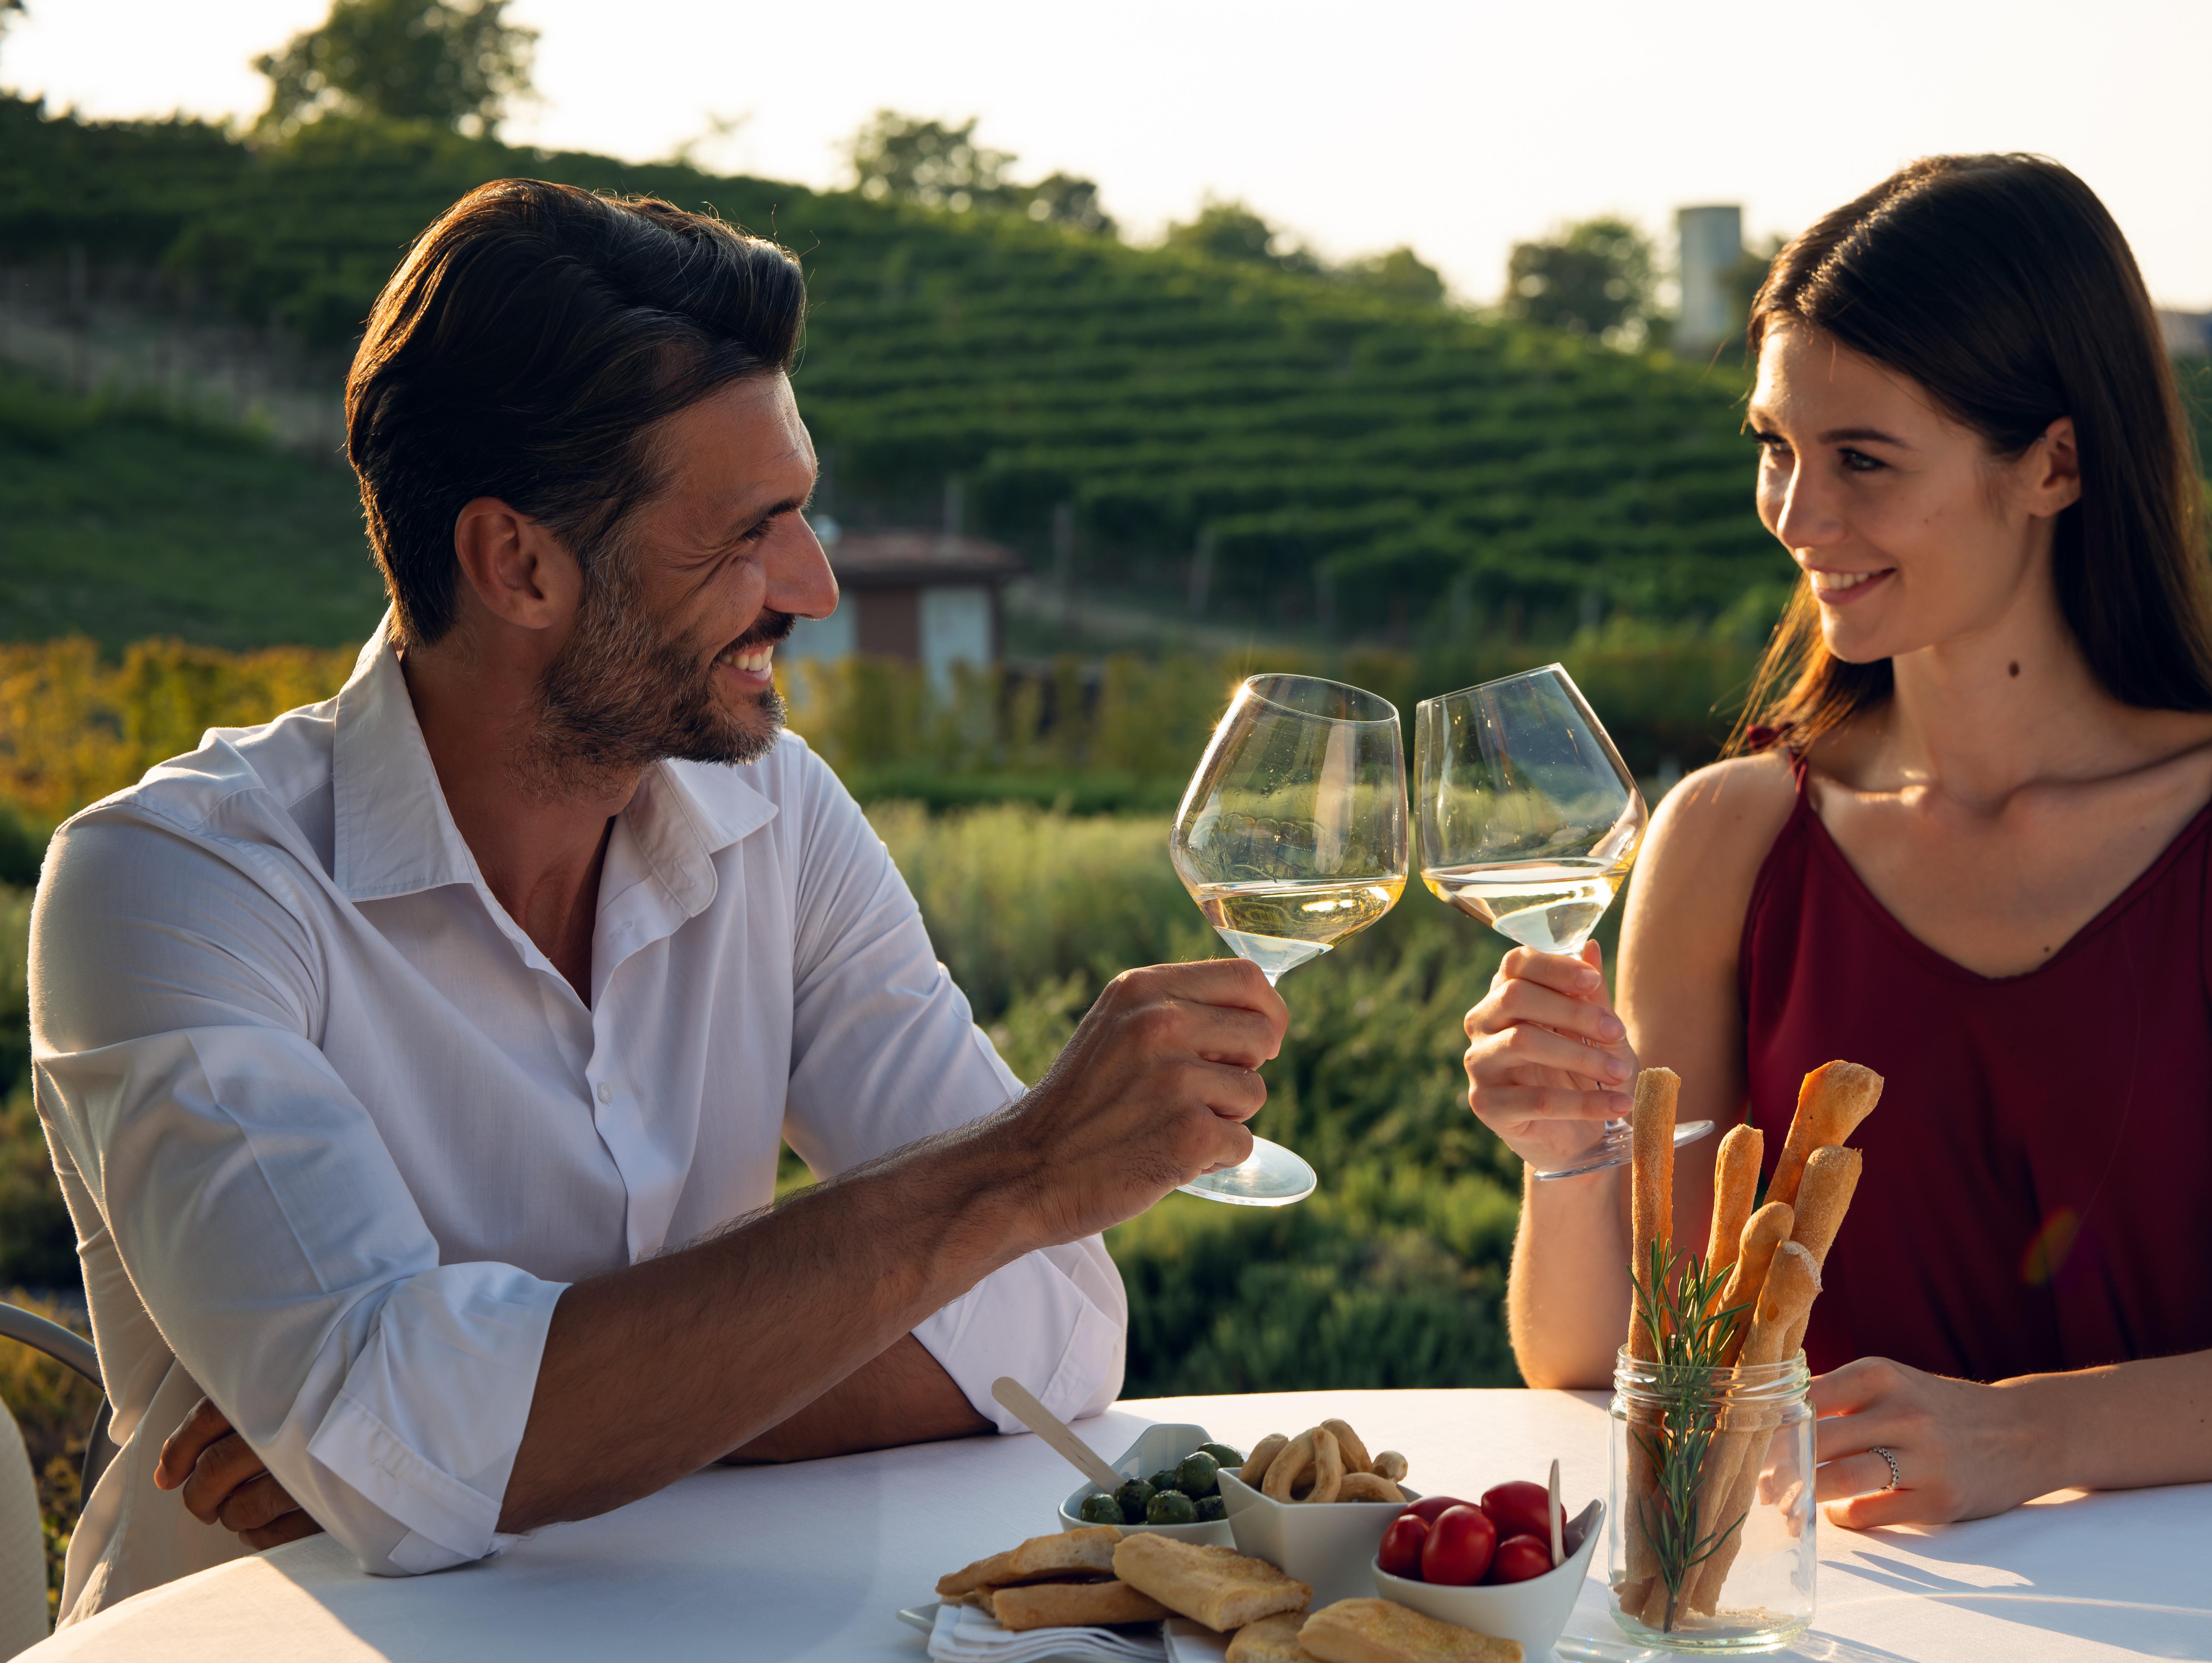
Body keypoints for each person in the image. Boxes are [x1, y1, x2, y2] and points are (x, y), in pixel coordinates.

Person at [27, 179, 1284, 1621]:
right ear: (518, 563)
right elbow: (400, 1438)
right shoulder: (177, 885)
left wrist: (517, 1428)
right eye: (747, 533)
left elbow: (1048, 1327)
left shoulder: (780, 817)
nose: (809, 585)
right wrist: (1007, 1174)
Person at [1461, 154, 2212, 1529]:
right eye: (1776, 446)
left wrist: (2023, 1435)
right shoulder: (1730, 835)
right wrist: (1566, 1156)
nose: (1796, 515)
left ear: (2054, 463)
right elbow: (1598, 1356)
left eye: (1863, 460)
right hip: (1846, 1609)